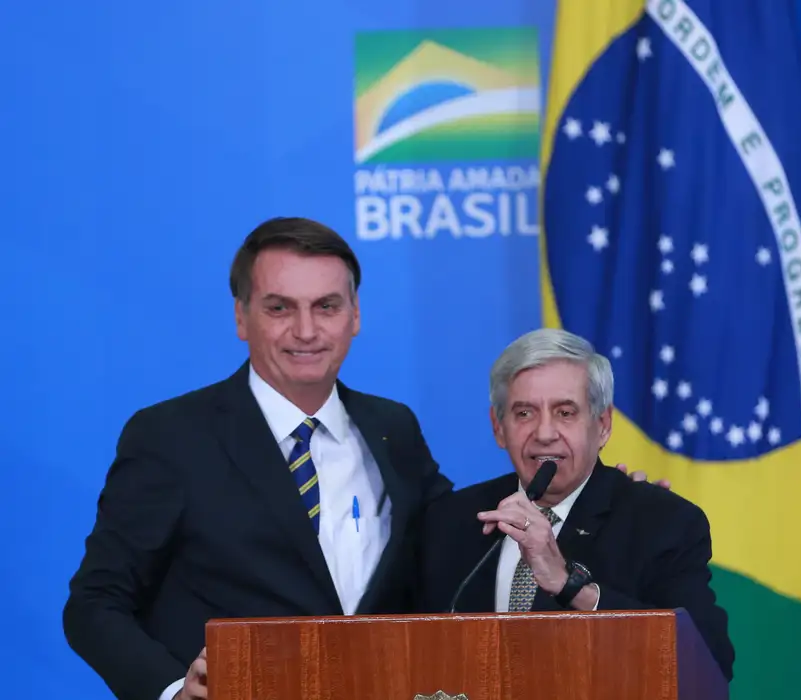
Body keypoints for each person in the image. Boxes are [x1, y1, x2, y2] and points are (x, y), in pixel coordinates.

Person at [61, 217, 664, 700]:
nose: (305, 330)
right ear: (242, 317)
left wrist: (602, 495)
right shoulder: (171, 436)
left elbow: (464, 533)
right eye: (279, 307)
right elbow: (95, 603)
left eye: (326, 306)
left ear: (355, 317)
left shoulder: (390, 428)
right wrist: (171, 690)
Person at [414, 327, 735, 682]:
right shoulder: (451, 521)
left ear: (602, 425)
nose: (545, 433)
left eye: (565, 412)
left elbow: (708, 662)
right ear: (498, 427)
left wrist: (572, 588)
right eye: (524, 413)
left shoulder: (661, 522)